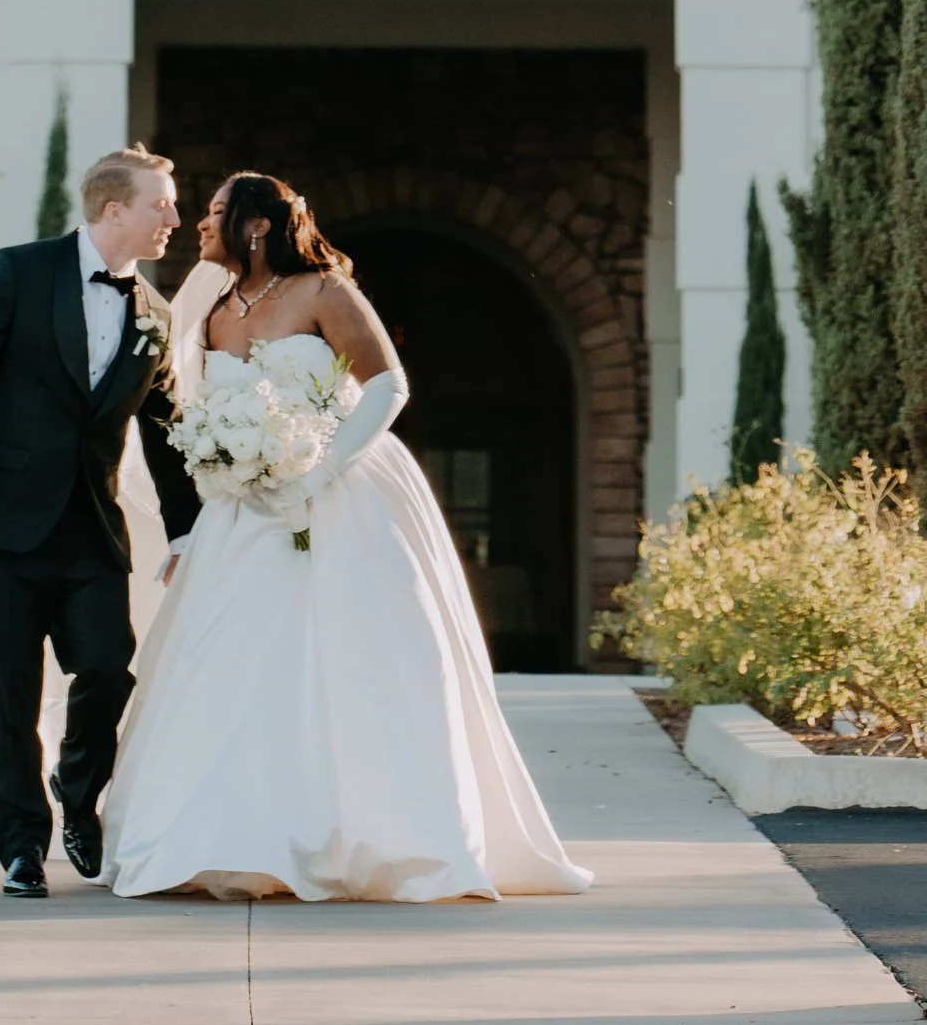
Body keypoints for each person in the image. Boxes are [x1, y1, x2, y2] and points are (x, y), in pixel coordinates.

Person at [100, 170, 590, 903]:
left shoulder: (325, 291)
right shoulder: (210, 304)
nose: (200, 224)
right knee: (233, 661)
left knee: (351, 658)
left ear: (258, 225)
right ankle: (226, 837)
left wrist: (321, 464)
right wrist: (217, 476)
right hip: (245, 509)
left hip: (340, 493)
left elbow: (389, 387)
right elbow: (187, 409)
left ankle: (369, 834)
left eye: (215, 212)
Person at [0, 143, 199, 899]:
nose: (175, 217)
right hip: (0, 523)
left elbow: (168, 432)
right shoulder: (17, 271)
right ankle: (19, 848)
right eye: (161, 203)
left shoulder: (156, 315)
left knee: (107, 669)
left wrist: (189, 531)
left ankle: (79, 795)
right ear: (114, 210)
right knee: (5, 692)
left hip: (93, 531)